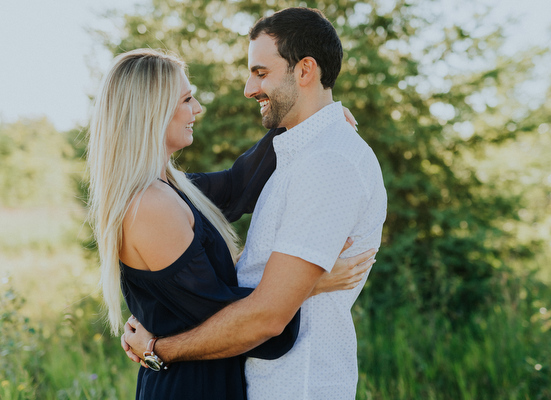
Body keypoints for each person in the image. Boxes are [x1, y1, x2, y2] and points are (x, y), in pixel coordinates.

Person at [123, 7, 387, 399]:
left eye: (260, 72)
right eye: (186, 100)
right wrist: (160, 306)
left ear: (305, 71)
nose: (248, 89)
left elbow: (266, 316)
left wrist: (159, 347)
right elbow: (233, 199)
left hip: (295, 386)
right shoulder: (158, 196)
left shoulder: (327, 161)